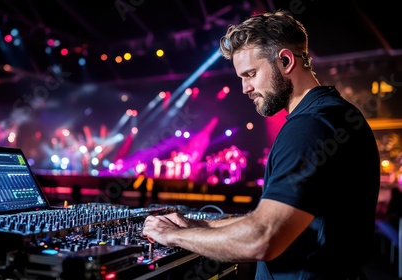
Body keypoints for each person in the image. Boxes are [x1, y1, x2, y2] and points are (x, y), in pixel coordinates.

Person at [142, 10, 380, 279]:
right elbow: (275, 220)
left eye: (251, 74)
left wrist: (173, 235)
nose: (245, 88)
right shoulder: (334, 115)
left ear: (286, 61)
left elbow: (262, 237)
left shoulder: (310, 127)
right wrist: (199, 224)